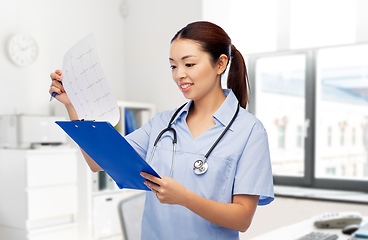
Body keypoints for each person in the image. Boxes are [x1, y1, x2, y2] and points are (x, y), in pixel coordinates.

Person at [50, 21, 274, 240]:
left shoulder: (249, 131)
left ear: (220, 64)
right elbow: (97, 162)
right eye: (173, 66)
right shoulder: (162, 124)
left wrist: (185, 197)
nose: (179, 75)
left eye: (189, 64)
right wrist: (73, 105)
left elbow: (242, 219)